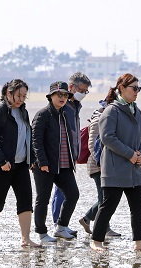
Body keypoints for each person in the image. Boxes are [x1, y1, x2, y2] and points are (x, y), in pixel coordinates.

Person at [89, 73, 141, 252]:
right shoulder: (111, 111)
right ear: (121, 88)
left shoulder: (137, 111)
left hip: (134, 169)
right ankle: (96, 241)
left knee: (138, 206)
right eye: (134, 88)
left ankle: (140, 241)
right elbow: (107, 137)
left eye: (139, 88)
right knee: (108, 206)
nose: (137, 92)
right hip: (114, 168)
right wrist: (130, 154)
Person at [0, 79, 40, 248]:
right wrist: (2, 161)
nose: (21, 99)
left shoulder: (23, 113)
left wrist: (31, 158)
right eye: (18, 95)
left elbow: (28, 137)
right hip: (1, 165)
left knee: (26, 200)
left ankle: (25, 239)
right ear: (8, 93)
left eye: (24, 96)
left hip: (21, 165)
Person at [31, 81, 80, 243]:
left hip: (65, 165)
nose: (63, 98)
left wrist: (73, 159)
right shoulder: (42, 114)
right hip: (45, 166)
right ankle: (42, 233)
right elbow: (36, 140)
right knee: (42, 199)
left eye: (65, 95)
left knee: (73, 194)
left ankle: (61, 227)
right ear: (51, 96)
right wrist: (42, 162)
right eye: (59, 94)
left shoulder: (65, 114)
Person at [49, 72, 90, 233]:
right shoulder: (63, 105)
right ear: (72, 87)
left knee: (64, 191)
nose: (83, 94)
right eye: (82, 90)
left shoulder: (74, 106)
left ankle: (61, 223)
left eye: (86, 92)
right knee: (62, 191)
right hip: (60, 155)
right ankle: (58, 224)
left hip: (70, 155)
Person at [77, 98, 122, 238]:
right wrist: (101, 162)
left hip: (105, 165)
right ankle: (103, 227)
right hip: (98, 166)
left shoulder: (109, 117)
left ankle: (87, 219)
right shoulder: (99, 118)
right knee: (105, 197)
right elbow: (92, 144)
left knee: (105, 197)